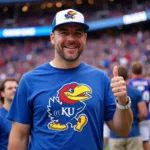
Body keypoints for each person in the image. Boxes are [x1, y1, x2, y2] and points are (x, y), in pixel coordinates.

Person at [7, 9, 133, 150]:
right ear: (52, 37)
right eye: (64, 33)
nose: (71, 39)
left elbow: (123, 130)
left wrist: (123, 101)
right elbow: (19, 136)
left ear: (85, 38)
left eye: (77, 33)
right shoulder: (30, 80)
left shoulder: (100, 78)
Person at [109, 65, 147, 150]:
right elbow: (144, 113)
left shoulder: (109, 93)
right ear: (128, 76)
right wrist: (136, 120)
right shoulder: (136, 91)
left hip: (115, 134)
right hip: (133, 133)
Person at [129, 62, 150, 150]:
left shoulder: (130, 83)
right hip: (146, 115)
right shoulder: (148, 82)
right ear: (141, 71)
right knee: (145, 141)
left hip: (134, 117)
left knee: (132, 143)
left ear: (132, 71)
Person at [0, 78, 18, 150]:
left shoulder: (27, 113)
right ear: (2, 93)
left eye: (16, 88)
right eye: (10, 88)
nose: (14, 90)